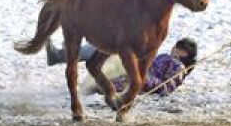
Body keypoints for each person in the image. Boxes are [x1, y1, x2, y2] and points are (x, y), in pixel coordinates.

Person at [45, 37, 197, 96]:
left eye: (178, 48)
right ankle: (66, 53)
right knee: (104, 49)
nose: (174, 49)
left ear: (184, 53)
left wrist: (143, 78)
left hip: (133, 79)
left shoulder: (178, 67)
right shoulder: (166, 57)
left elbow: (166, 88)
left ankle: (63, 54)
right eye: (176, 46)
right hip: (131, 72)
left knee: (103, 50)